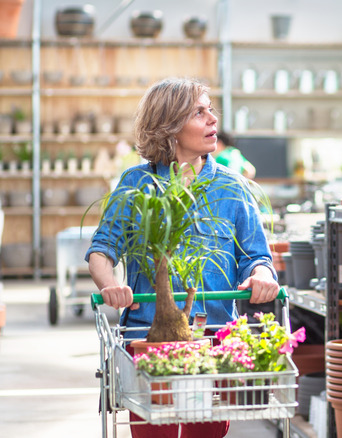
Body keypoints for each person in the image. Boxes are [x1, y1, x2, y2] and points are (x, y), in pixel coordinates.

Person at [85, 78, 280, 438]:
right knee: (152, 432)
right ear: (169, 125)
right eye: (199, 112)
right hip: (147, 336)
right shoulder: (136, 184)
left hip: (212, 338)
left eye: (211, 111)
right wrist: (110, 285)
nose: (212, 120)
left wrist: (262, 275)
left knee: (206, 432)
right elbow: (101, 250)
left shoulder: (232, 188)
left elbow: (256, 256)